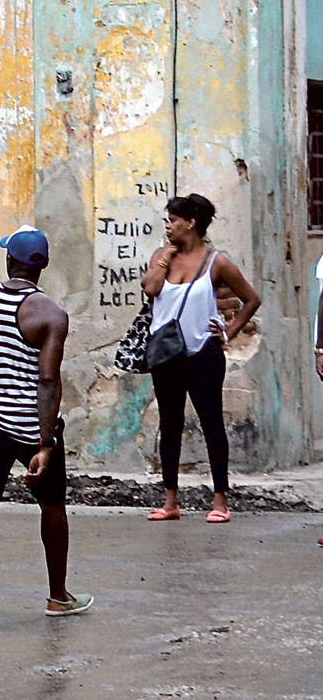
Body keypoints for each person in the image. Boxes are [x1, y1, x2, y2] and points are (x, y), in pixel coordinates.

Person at [0, 226, 90, 625]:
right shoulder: (51, 315)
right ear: (42, 267)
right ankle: (57, 596)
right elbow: (48, 381)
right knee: (52, 507)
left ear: (9, 260)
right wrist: (45, 445)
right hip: (33, 426)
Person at [141, 192, 260, 523]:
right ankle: (170, 501)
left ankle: (220, 501)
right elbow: (150, 289)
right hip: (166, 353)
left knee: (211, 423)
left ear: (191, 223)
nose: (168, 226)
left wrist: (230, 331)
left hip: (203, 353)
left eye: (173, 220)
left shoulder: (216, 262)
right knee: (170, 423)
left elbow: (251, 299)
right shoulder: (161, 256)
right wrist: (164, 258)